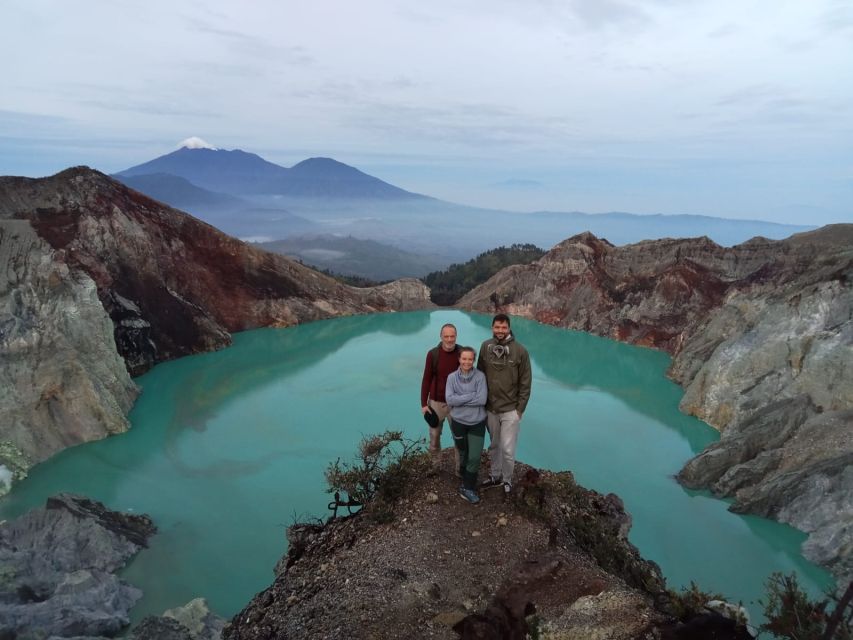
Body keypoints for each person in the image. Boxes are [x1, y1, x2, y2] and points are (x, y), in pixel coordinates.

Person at [477, 313, 532, 495]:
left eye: (504, 327)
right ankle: (495, 475)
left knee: (507, 449)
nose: (500, 331)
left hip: (510, 410)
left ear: (509, 328)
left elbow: (525, 382)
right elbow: (480, 375)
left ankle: (507, 479)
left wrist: (520, 410)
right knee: (494, 445)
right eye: (497, 327)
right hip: (491, 408)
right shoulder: (485, 347)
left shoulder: (520, 351)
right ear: (492, 327)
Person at [445, 346, 488, 504]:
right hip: (458, 422)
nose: (467, 362)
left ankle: (468, 488)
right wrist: (471, 396)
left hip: (477, 422)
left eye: (470, 359)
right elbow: (450, 400)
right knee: (463, 452)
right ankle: (465, 477)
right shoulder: (451, 378)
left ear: (474, 360)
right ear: (459, 359)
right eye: (464, 358)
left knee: (475, 456)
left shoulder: (480, 377)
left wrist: (460, 398)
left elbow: (482, 400)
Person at [420, 323, 461, 469]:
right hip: (436, 403)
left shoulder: (462, 354)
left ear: (456, 336)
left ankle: (459, 470)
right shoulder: (433, 354)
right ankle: (435, 466)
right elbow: (426, 378)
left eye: (452, 336)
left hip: (456, 404)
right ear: (441, 337)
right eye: (446, 336)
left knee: (459, 438)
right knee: (434, 437)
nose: (449, 339)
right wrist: (424, 404)